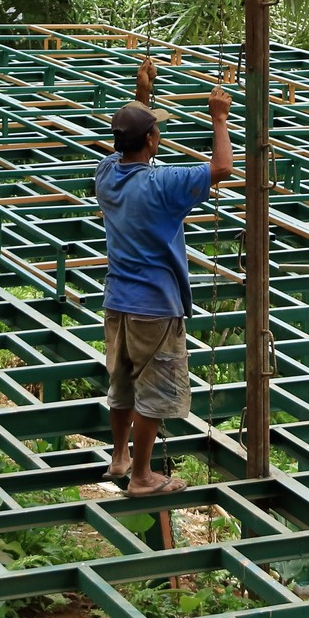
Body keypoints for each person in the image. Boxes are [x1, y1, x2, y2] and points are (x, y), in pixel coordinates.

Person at [95, 55, 234, 496]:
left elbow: (129, 141)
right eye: (156, 130)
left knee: (121, 382)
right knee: (152, 391)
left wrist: (142, 95)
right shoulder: (162, 185)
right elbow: (223, 168)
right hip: (155, 304)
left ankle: (118, 459)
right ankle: (141, 476)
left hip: (117, 300)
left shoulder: (107, 175)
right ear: (153, 141)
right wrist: (219, 118)